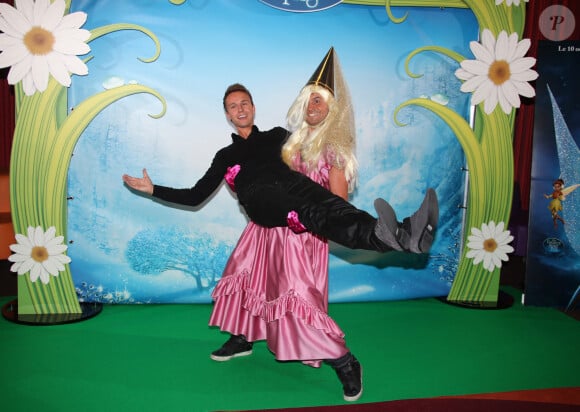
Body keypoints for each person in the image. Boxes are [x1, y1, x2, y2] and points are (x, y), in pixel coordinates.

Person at [209, 47, 366, 402]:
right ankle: (244, 336)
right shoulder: (289, 141)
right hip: (268, 231)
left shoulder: (335, 148)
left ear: (332, 109)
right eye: (310, 101)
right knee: (248, 277)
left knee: (298, 299)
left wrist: (307, 222)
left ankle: (344, 362)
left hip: (303, 236)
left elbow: (337, 207)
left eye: (321, 102)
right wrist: (240, 183)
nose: (313, 107)